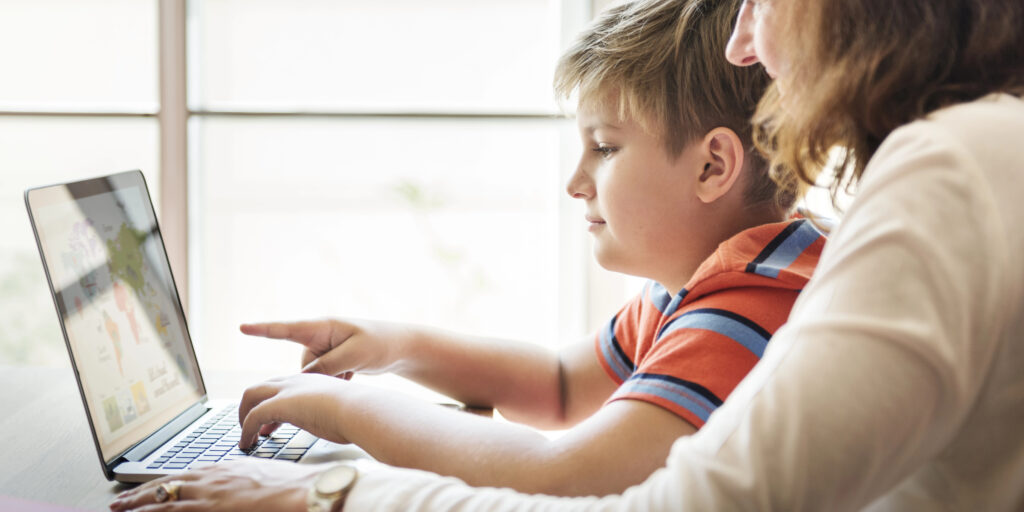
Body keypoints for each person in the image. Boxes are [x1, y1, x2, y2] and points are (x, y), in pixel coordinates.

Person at [112, 0, 1024, 509]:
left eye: (606, 147)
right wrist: (391, 343)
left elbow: (575, 475)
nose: (575, 182)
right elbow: (556, 383)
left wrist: (355, 424)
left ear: (713, 164)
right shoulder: (707, 283)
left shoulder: (753, 303)